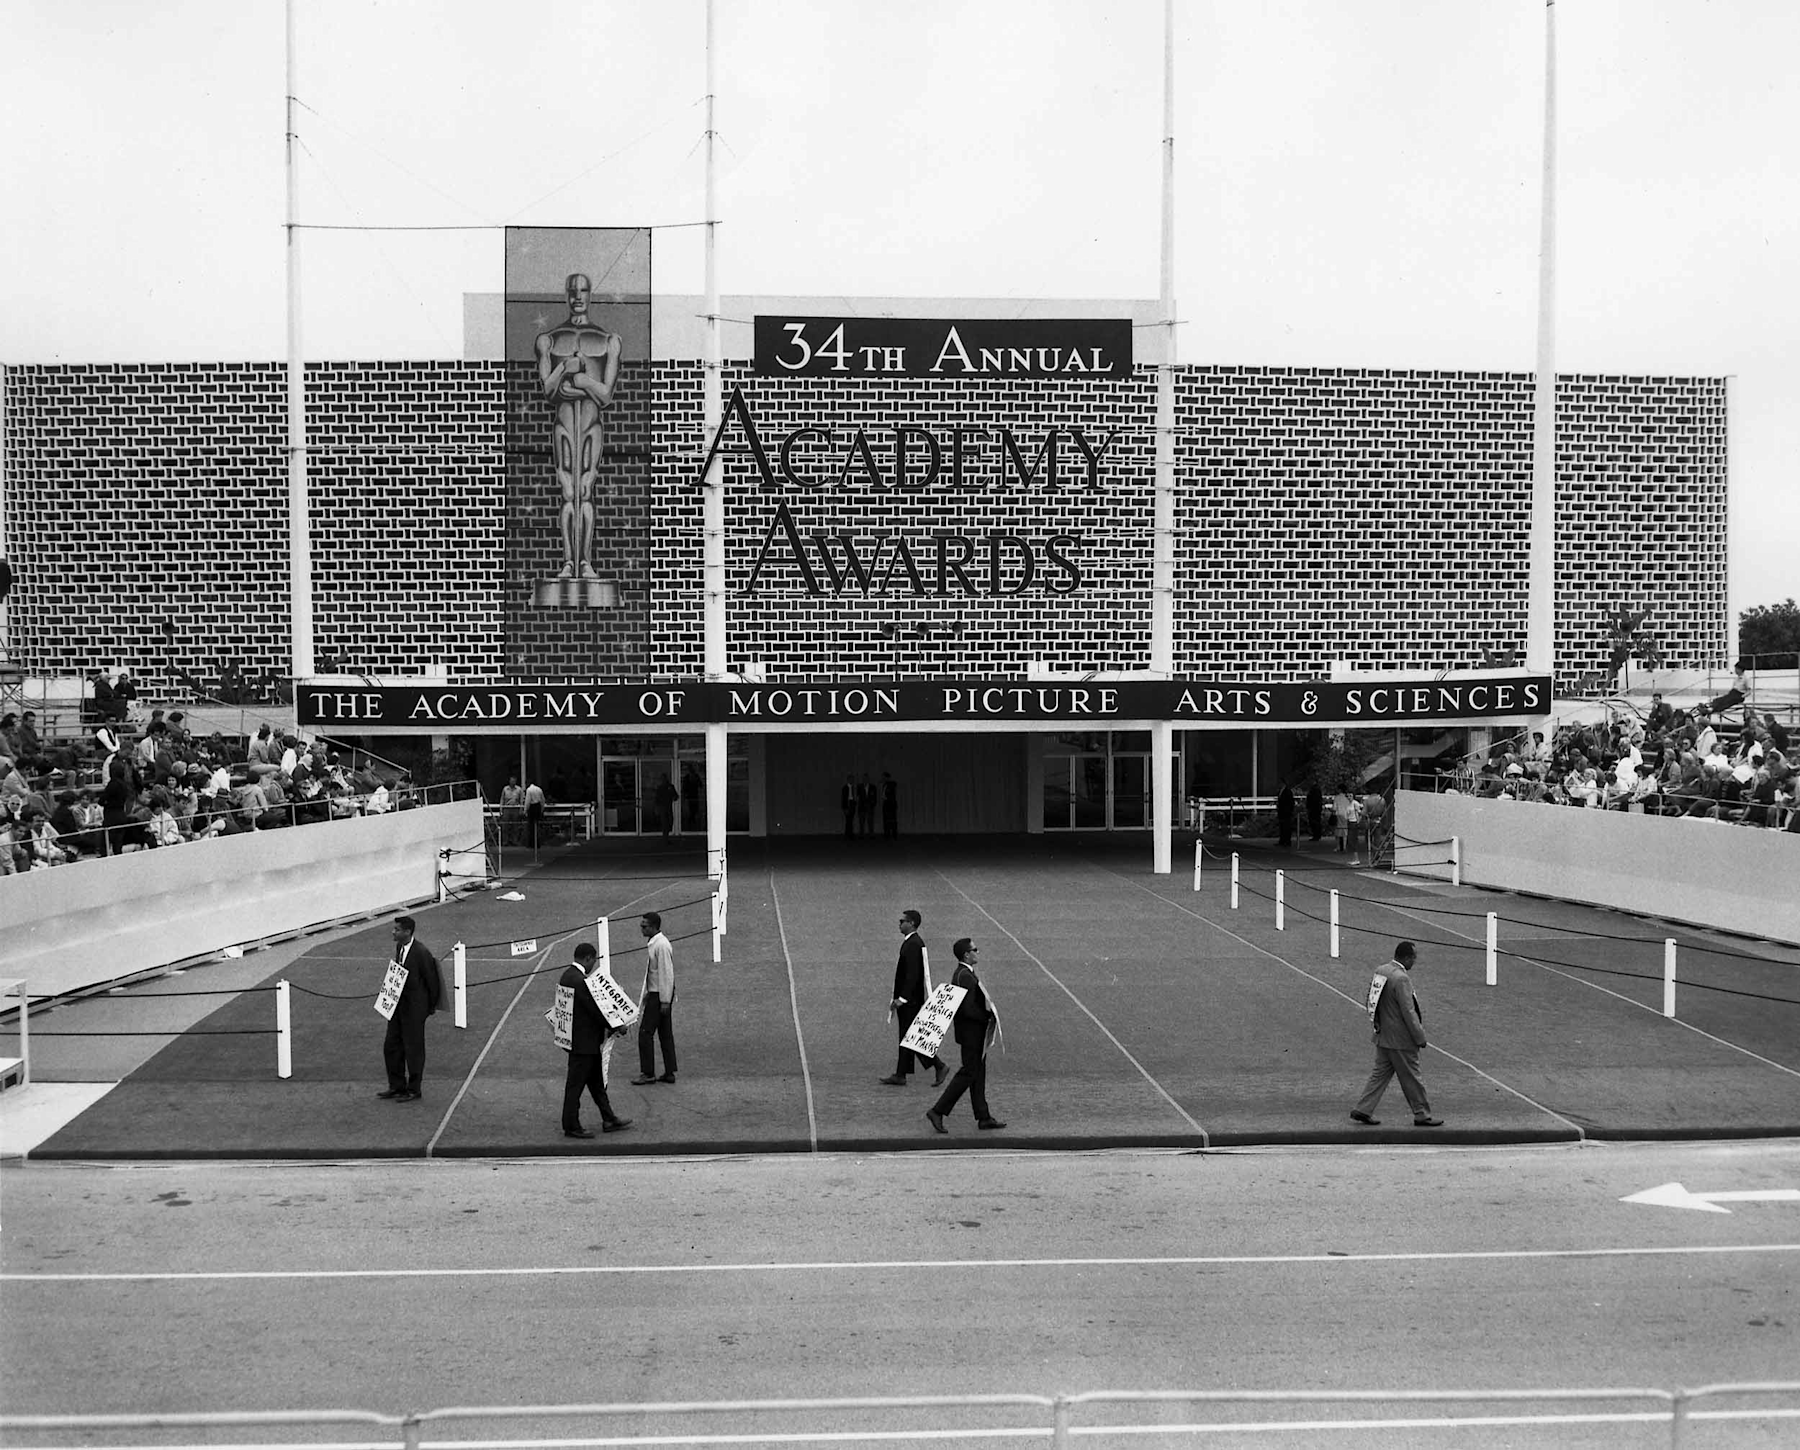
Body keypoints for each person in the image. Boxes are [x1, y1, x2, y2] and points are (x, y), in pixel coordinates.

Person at [535, 272, 622, 582]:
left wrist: (582, 381)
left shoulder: (607, 340)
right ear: (566, 294)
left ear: (590, 293)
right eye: (572, 290)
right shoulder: (550, 340)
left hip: (590, 427)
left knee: (585, 489)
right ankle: (569, 563)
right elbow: (548, 390)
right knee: (568, 490)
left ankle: (585, 561)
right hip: (563, 425)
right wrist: (564, 368)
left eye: (583, 289)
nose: (577, 296)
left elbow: (606, 394)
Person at [1349, 941, 1442, 1127]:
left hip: (1383, 1036)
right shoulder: (1401, 979)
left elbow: (1372, 1000)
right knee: (1412, 1078)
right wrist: (1420, 1037)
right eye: (1414, 958)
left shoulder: (1381, 970)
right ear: (1406, 957)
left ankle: (1363, 1108)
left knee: (1379, 1075)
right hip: (1401, 1040)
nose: (1414, 962)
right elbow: (1408, 1011)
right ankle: (1422, 1114)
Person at [925, 938, 1005, 1134]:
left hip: (971, 1033)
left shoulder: (963, 974)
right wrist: (987, 1017)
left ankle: (983, 1116)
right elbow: (967, 1009)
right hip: (972, 1034)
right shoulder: (965, 976)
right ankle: (938, 1110)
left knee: (977, 1074)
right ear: (966, 955)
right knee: (969, 1073)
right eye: (974, 949)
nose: (977, 952)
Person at [557, 943, 633, 1139]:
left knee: (597, 1085)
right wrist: (618, 1026)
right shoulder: (581, 981)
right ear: (589, 958)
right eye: (594, 960)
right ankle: (571, 1126)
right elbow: (597, 1010)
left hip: (579, 1042)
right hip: (584, 1045)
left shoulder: (567, 976)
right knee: (575, 1087)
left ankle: (609, 1119)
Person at [378, 916, 444, 1102]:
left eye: (397, 929)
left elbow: (432, 981)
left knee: (413, 1049)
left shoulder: (421, 952)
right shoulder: (400, 947)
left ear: (407, 932)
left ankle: (414, 1089)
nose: (393, 932)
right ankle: (397, 1086)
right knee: (391, 1046)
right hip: (397, 1007)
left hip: (414, 1010)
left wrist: (429, 1008)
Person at [880, 908, 948, 1087]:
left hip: (910, 1001)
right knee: (907, 1037)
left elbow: (911, 974)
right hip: (913, 999)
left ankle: (938, 1065)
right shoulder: (913, 942)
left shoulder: (912, 944)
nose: (899, 924)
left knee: (911, 1037)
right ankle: (901, 1073)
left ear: (912, 923)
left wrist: (902, 998)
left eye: (902, 921)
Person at [631, 911, 677, 1085]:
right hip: (658, 994)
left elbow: (667, 973)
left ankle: (648, 1072)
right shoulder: (656, 943)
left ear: (654, 927)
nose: (641, 929)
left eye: (644, 926)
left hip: (659, 995)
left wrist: (665, 1000)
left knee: (645, 1033)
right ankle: (669, 1071)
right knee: (665, 1033)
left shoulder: (661, 945)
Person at [654, 771, 679, 840]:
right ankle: (665, 837)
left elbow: (676, 796)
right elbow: (656, 799)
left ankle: (666, 836)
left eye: (664, 778)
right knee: (665, 823)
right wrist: (656, 808)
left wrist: (674, 797)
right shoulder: (660, 788)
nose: (663, 780)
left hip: (668, 807)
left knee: (670, 822)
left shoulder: (670, 786)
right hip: (663, 807)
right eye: (662, 779)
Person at [524, 778, 546, 847]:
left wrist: (525, 810)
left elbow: (528, 801)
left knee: (531, 826)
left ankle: (531, 843)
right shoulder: (539, 789)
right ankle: (538, 843)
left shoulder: (529, 790)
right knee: (537, 826)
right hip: (538, 806)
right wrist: (542, 809)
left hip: (532, 807)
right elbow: (543, 800)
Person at [1276, 782, 1296, 849]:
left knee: (1286, 827)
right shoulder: (1280, 791)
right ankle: (1282, 840)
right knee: (1282, 826)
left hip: (1286, 812)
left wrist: (1289, 810)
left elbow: (1290, 802)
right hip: (1282, 812)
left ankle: (1287, 841)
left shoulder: (1288, 791)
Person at [881, 771, 898, 840]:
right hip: (885, 804)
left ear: (887, 777)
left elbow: (894, 786)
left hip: (891, 805)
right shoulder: (884, 785)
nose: (883, 778)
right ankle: (886, 834)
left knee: (893, 820)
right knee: (886, 820)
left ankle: (894, 835)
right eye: (883, 777)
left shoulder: (892, 784)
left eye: (884, 777)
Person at [840, 774, 857, 839]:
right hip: (847, 805)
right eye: (850, 779)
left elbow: (855, 796)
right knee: (848, 820)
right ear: (848, 780)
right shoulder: (845, 788)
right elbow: (843, 798)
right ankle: (848, 834)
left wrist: (855, 803)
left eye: (852, 779)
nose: (852, 780)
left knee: (851, 820)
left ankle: (850, 833)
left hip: (852, 804)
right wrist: (844, 808)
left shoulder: (854, 787)